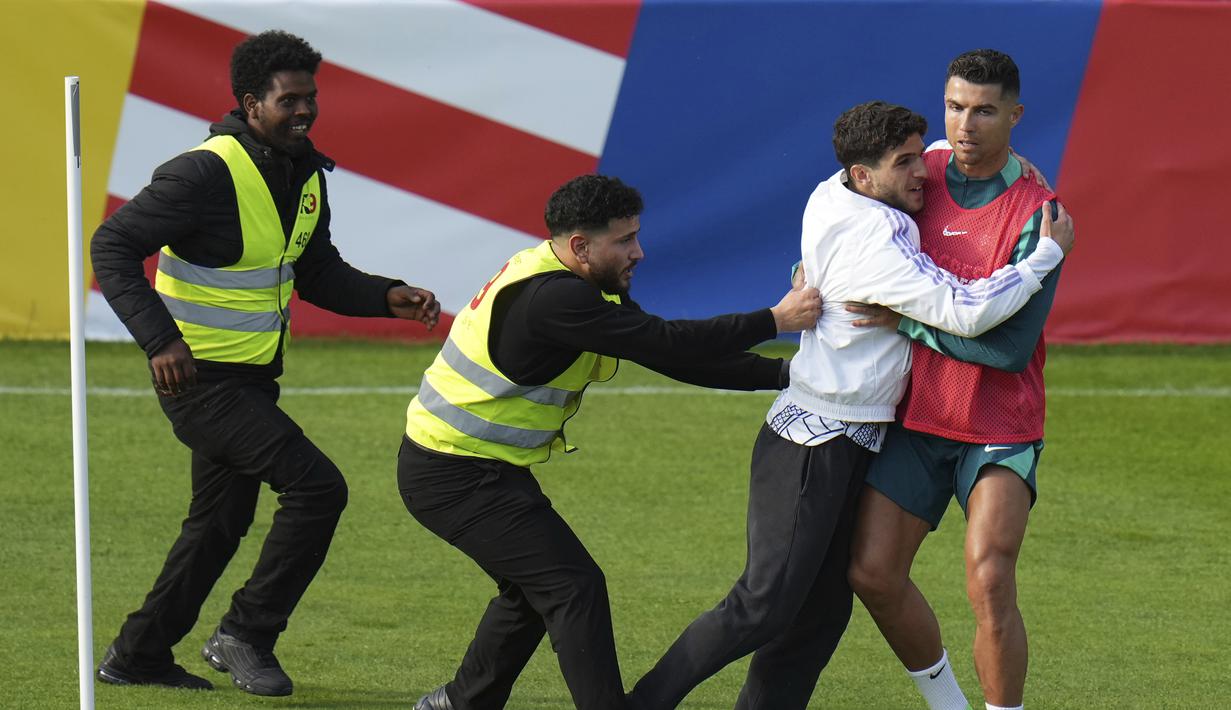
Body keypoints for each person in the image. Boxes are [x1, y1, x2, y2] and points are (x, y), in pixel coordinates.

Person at [627, 100, 1072, 709]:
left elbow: (936, 153)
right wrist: (1045, 256)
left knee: (819, 617)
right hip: (815, 445)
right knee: (762, 605)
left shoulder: (832, 191)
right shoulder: (877, 242)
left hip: (853, 438)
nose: (923, 171)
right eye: (905, 163)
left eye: (920, 156)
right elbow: (968, 313)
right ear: (865, 174)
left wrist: (1010, 159)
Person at [90, 30, 440, 696]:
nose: (305, 110)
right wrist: (160, 341)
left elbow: (315, 271)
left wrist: (385, 295)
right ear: (251, 104)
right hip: (199, 383)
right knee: (317, 489)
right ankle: (245, 635)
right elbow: (111, 246)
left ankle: (138, 654)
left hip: (250, 383)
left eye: (311, 97)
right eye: (289, 100)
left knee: (217, 526)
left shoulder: (303, 170)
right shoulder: (201, 174)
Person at [400, 173, 822, 710]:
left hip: (474, 468)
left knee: (535, 591)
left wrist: (787, 376)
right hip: (452, 474)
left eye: (636, 236)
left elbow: (667, 354)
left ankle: (460, 703)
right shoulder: (555, 299)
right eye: (624, 240)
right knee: (572, 586)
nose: (638, 252)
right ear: (581, 246)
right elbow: (667, 341)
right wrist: (773, 320)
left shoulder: (568, 279)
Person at [847, 49, 1068, 710]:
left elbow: (1007, 350)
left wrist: (903, 323)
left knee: (989, 578)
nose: (966, 124)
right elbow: (846, 206)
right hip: (917, 416)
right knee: (872, 573)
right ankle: (949, 705)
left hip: (999, 423)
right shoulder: (918, 173)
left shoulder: (1041, 215)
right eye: (954, 107)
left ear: (1015, 115)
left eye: (984, 111)